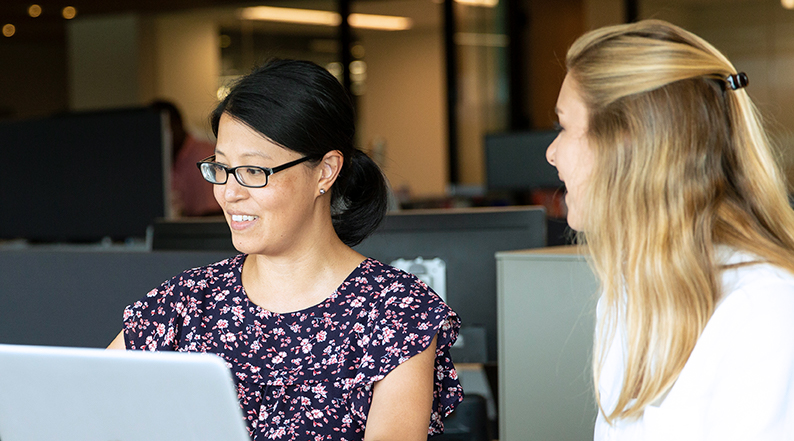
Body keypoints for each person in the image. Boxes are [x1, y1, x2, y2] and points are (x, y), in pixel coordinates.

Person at [109, 59, 463, 440]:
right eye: (221, 168)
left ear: (325, 171)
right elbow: (82, 405)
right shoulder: (186, 302)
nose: (230, 193)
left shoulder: (394, 312)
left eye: (253, 172)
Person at [545, 19, 794, 440]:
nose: (552, 153)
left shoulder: (765, 304)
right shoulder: (637, 284)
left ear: (625, 142)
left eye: (564, 128)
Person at [150, 100, 222, 217]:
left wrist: (179, 220)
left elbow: (215, 216)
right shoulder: (164, 158)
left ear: (177, 125)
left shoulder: (205, 156)